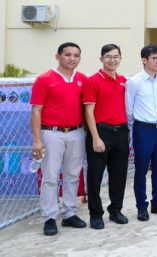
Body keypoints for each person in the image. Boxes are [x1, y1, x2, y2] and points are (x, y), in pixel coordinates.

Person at [30, 42, 88, 236]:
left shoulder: (82, 79)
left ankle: (69, 213)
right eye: (67, 54)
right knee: (50, 176)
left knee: (73, 174)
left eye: (76, 55)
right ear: (58, 56)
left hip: (76, 132)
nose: (72, 58)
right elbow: (36, 111)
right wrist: (37, 140)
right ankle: (49, 217)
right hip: (51, 133)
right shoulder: (44, 79)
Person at [83, 44, 130, 229]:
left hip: (121, 132)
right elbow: (89, 112)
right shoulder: (92, 81)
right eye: (108, 56)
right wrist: (95, 137)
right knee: (95, 175)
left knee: (119, 175)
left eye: (116, 56)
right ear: (101, 59)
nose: (113, 60)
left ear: (120, 59)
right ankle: (95, 214)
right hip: (101, 132)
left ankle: (115, 210)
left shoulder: (123, 81)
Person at [125, 44, 157, 221]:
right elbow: (129, 109)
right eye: (155, 59)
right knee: (141, 169)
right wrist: (134, 129)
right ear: (144, 60)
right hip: (143, 129)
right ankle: (141, 206)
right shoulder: (134, 82)